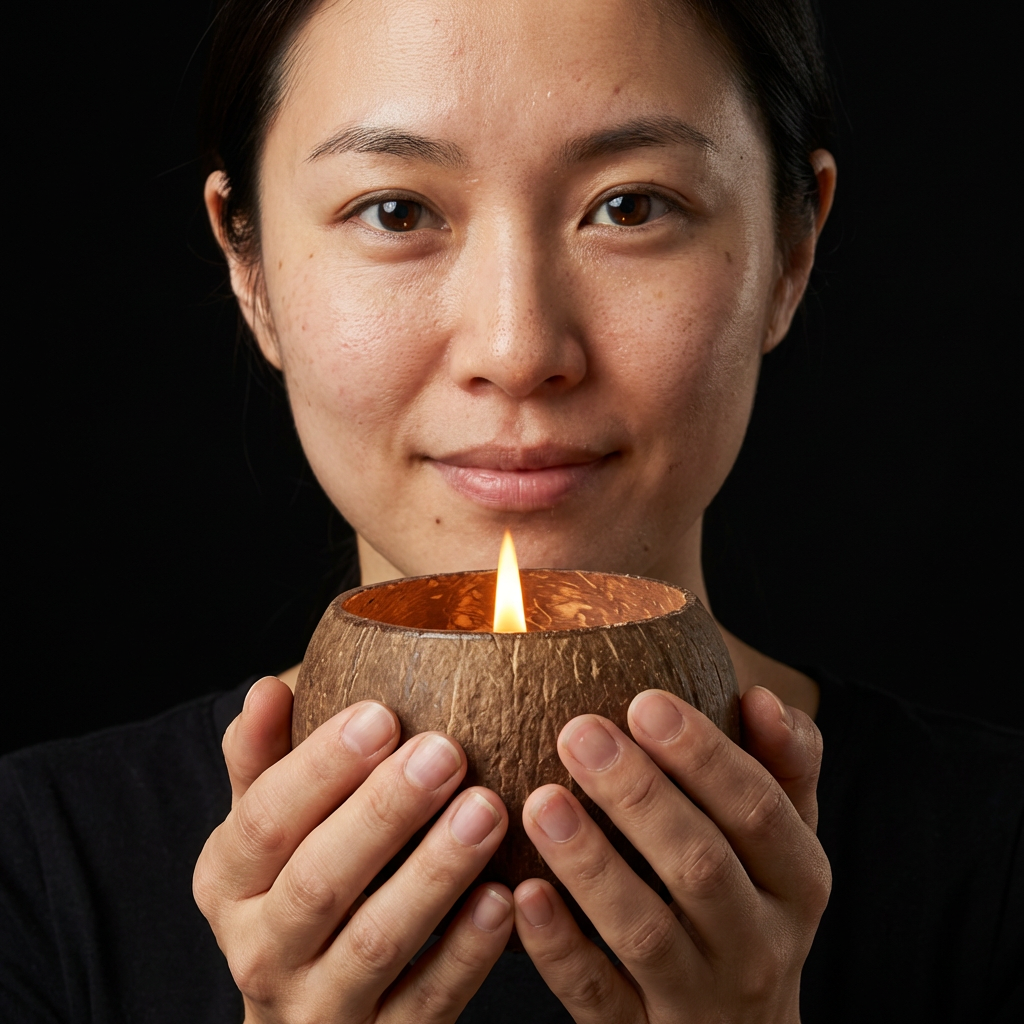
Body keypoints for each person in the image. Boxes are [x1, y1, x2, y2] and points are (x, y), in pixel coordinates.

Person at [1, 1, 1020, 1021]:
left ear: (791, 251)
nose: (517, 349)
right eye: (395, 211)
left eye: (630, 207)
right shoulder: (33, 877)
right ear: (249, 266)